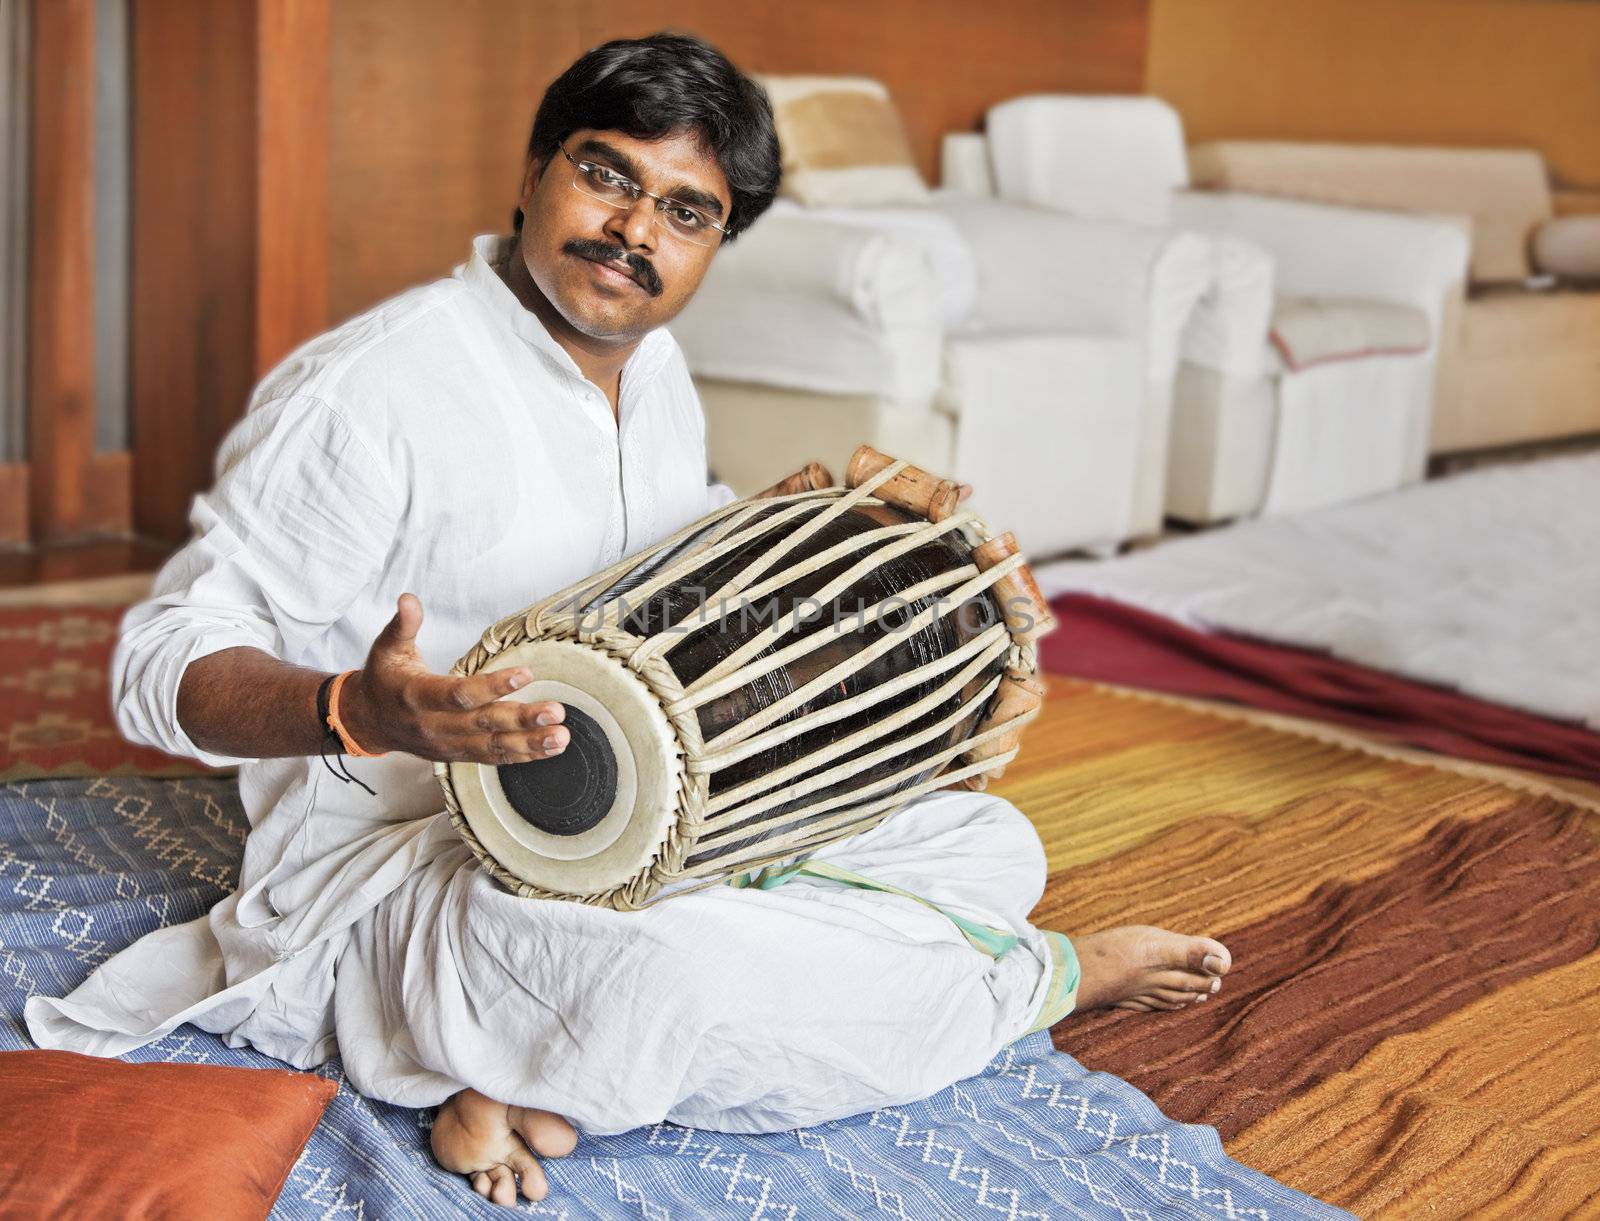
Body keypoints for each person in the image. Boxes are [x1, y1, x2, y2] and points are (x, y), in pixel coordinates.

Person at [26, 33, 1231, 1208]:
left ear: (717, 244)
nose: (633, 230)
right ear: (534, 172)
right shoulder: (372, 393)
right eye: (606, 173)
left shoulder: (651, 373)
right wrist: (353, 708)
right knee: (666, 987)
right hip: (419, 868)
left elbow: (649, 554)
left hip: (639, 814)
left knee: (987, 845)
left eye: (685, 210)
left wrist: (833, 572)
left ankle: (541, 1079)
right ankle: (1034, 984)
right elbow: (158, 664)